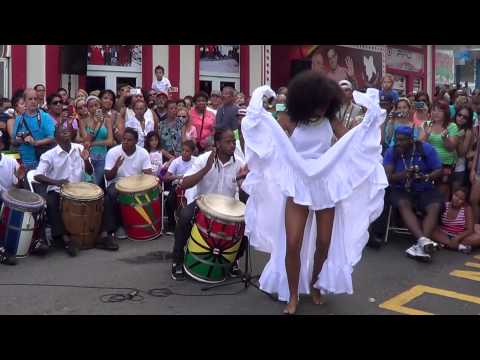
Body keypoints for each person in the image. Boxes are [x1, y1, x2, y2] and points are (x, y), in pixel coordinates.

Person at [240, 73, 387, 315]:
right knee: (293, 242)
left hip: (324, 185)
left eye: (324, 105)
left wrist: (370, 118)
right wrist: (260, 105)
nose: (320, 109)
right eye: (316, 105)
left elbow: (353, 141)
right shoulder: (290, 120)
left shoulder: (331, 122)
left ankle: (316, 283)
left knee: (324, 243)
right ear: (304, 102)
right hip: (298, 185)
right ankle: (293, 294)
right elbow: (268, 137)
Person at [170, 128, 247, 280]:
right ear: (217, 144)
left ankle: (232, 261)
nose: (232, 145)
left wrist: (242, 182)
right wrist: (206, 169)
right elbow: (184, 184)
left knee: (248, 224)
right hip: (203, 204)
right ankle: (177, 259)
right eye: (228, 142)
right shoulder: (203, 159)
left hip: (228, 208)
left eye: (233, 141)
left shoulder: (239, 163)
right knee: (184, 217)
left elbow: (245, 196)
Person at [383, 126, 443, 261]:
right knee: (403, 203)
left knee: (434, 206)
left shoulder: (425, 148)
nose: (399, 143)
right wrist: (404, 175)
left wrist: (426, 177)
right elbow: (388, 177)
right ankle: (423, 241)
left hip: (424, 187)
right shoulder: (392, 152)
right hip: (400, 188)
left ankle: (421, 244)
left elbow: (439, 170)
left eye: (402, 140)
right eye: (397, 140)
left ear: (411, 140)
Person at [34, 126, 93, 257]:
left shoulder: (80, 148)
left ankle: (95, 234)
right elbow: (37, 175)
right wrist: (56, 182)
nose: (65, 132)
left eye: (67, 131)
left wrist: (86, 160)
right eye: (62, 132)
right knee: (51, 202)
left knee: (100, 198)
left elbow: (90, 171)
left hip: (78, 189)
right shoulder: (49, 155)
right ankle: (65, 238)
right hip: (57, 190)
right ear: (56, 138)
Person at [101, 128, 153, 248]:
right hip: (117, 183)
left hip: (137, 184)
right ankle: (110, 231)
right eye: (124, 139)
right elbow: (108, 177)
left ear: (136, 141)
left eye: (129, 140)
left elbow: (148, 174)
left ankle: (145, 225)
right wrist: (116, 167)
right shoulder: (113, 152)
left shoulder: (143, 152)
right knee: (110, 195)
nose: (125, 142)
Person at [420, 100, 459, 200]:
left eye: (439, 111)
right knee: (427, 193)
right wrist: (426, 134)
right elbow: (418, 145)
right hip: (428, 164)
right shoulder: (426, 124)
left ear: (446, 113)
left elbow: (451, 148)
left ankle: (443, 214)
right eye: (433, 110)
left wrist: (445, 138)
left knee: (442, 194)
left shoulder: (452, 126)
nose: (435, 113)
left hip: (445, 165)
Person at [0, 131, 26, 265]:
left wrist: (20, 178)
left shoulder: (10, 161)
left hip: (10, 199)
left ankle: (35, 240)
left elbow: (18, 186)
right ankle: (1, 249)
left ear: (1, 145)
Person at [12, 89, 56, 170]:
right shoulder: (19, 119)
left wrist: (36, 142)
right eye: (30, 99)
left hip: (41, 162)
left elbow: (52, 138)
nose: (33, 101)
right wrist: (20, 139)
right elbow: (13, 140)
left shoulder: (45, 116)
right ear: (24, 101)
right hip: (23, 162)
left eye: (35, 99)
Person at [78, 96, 114, 187]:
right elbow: (86, 140)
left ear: (100, 106)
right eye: (91, 106)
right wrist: (94, 124)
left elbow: (110, 141)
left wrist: (92, 143)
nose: (94, 108)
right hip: (88, 156)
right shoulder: (83, 121)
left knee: (96, 183)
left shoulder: (107, 120)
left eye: (96, 105)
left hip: (102, 156)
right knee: (88, 183)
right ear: (88, 108)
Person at [431, 187, 479, 253]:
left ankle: (446, 244)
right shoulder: (444, 205)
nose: (457, 199)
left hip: (461, 236)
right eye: (456, 195)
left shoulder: (467, 209)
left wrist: (457, 238)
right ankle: (460, 247)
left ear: (464, 201)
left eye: (461, 199)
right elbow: (435, 223)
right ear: (452, 194)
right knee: (431, 231)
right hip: (444, 234)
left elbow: (470, 229)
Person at [163, 140, 196, 234]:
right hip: (178, 185)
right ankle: (171, 224)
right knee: (169, 201)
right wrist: (179, 177)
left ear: (192, 152)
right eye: (183, 150)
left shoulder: (196, 160)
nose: (184, 153)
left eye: (187, 151)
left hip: (192, 186)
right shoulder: (176, 162)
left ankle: (193, 225)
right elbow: (166, 177)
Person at [452, 106, 474, 192]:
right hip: (446, 165)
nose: (461, 118)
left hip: (458, 168)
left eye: (465, 117)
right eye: (459, 115)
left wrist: (460, 139)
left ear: (468, 120)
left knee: (455, 195)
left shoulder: (468, 131)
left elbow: (462, 153)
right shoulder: (450, 126)